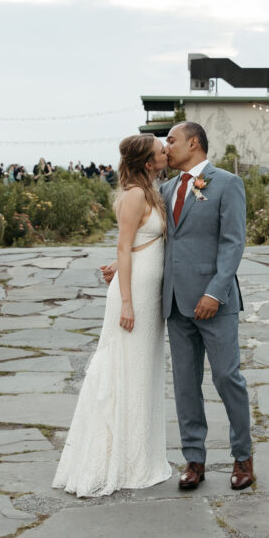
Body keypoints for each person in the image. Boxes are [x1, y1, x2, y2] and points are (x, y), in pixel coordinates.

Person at [102, 122, 253, 491]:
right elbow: (150, 238)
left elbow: (233, 244)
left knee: (227, 377)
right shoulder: (165, 189)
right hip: (173, 301)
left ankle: (243, 458)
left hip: (214, 302)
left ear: (194, 143)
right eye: (164, 143)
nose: (166, 147)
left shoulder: (228, 184)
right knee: (185, 385)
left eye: (171, 140)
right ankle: (194, 460)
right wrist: (121, 264)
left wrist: (215, 292)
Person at [53, 134, 171, 497]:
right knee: (126, 371)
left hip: (147, 290)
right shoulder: (135, 195)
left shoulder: (150, 189)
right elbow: (123, 246)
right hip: (134, 295)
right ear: (148, 163)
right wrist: (125, 300)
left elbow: (137, 245)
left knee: (143, 372)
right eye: (159, 151)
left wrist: (121, 270)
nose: (166, 151)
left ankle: (141, 452)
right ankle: (121, 458)